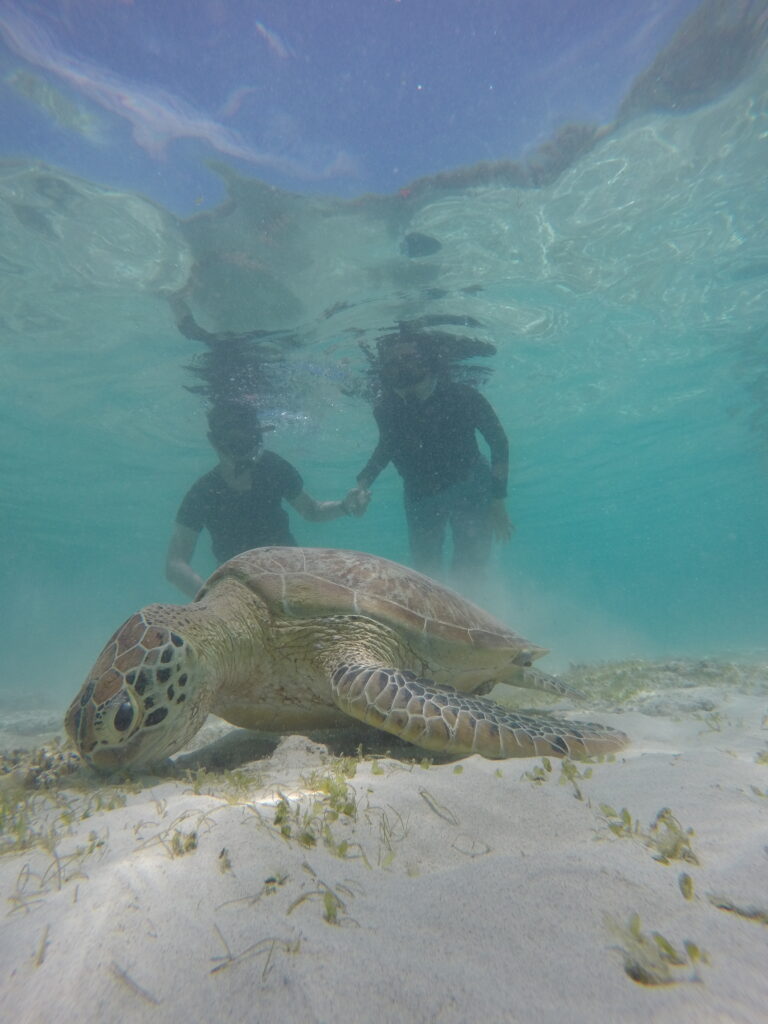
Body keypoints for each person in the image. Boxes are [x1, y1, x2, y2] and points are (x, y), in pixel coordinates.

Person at [352, 332, 512, 586]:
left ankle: (471, 619)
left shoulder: (464, 396)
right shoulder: (385, 409)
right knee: (426, 574)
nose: (401, 366)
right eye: (392, 362)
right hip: (419, 494)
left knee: (471, 566)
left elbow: (499, 443)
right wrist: (362, 485)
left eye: (408, 357)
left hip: (471, 486)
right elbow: (387, 446)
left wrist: (497, 500)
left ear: (426, 360)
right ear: (384, 370)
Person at [166, 402, 368, 598]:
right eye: (233, 443)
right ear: (214, 441)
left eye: (248, 442)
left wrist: (344, 507)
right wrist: (209, 601)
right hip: (237, 591)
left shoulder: (274, 468)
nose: (243, 455)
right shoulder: (203, 493)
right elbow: (175, 563)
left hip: (292, 578)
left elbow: (312, 511)